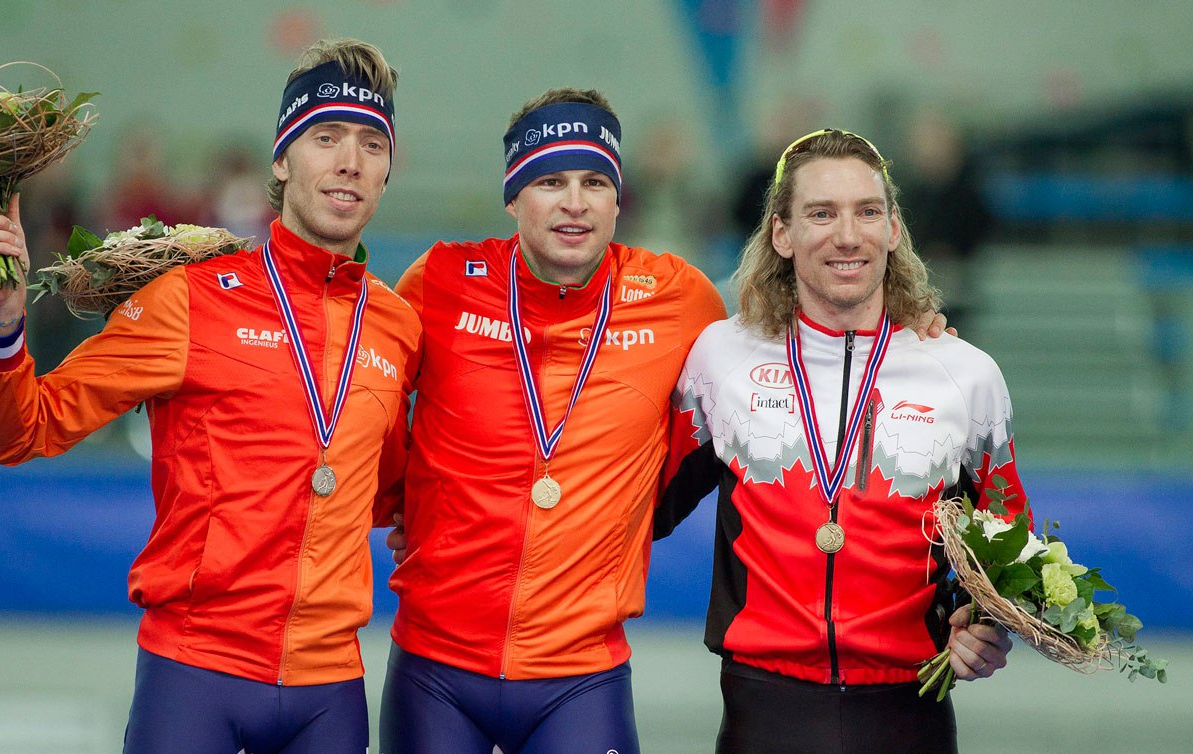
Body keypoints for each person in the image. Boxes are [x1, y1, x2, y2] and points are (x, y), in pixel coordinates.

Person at [0, 38, 419, 754]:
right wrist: (4, 319)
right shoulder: (190, 302)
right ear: (281, 158)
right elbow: (22, 432)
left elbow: (390, 489)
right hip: (195, 676)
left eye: (371, 143)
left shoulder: (395, 327)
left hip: (330, 690)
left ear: (389, 169)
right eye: (325, 137)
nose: (349, 162)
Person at [378, 88, 728, 754]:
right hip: (436, 669)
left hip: (581, 680)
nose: (575, 202)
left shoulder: (678, 297)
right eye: (549, 181)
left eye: (595, 181)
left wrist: (912, 323)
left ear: (618, 198)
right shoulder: (440, 282)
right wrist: (398, 504)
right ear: (513, 198)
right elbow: (365, 400)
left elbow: (781, 356)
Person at [656, 129, 1019, 754]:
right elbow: (645, 507)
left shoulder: (966, 375)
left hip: (911, 715)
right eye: (821, 214)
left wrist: (986, 625)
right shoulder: (719, 358)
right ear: (782, 234)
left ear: (894, 228)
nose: (847, 236)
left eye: (867, 212)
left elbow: (1008, 550)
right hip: (762, 711)